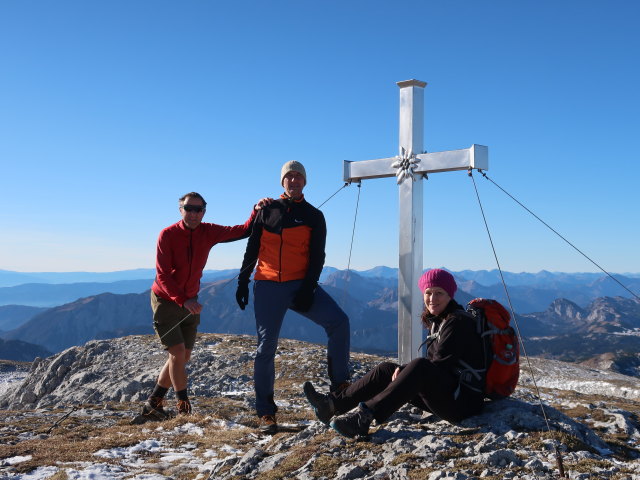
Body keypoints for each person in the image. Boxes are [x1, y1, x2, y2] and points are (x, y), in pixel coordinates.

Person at [235, 160, 350, 434]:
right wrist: (242, 282)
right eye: (289, 176)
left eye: (299, 177)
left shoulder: (313, 216)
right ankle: (266, 413)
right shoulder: (266, 210)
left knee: (340, 322)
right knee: (266, 348)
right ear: (282, 181)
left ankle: (341, 391)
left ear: (305, 182)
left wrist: (309, 288)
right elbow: (252, 248)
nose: (294, 180)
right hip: (267, 284)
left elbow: (317, 255)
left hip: (299, 283)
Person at [303, 268, 485, 438]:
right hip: (449, 394)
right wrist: (403, 371)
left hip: (463, 403)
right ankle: (331, 405)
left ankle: (363, 418)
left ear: (449, 295)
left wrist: (407, 370)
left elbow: (440, 365)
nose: (432, 298)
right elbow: (436, 367)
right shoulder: (440, 320)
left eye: (439, 293)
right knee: (386, 370)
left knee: (420, 367)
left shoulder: (457, 322)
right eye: (428, 293)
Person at [140, 191, 270, 420]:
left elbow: (244, 230)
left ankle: (153, 403)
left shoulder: (208, 231)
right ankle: (183, 408)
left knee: (182, 357)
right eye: (189, 208)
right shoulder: (167, 235)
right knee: (178, 354)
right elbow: (162, 275)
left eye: (198, 209)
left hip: (190, 301)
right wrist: (183, 300)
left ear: (204, 211)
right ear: (180, 210)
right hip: (166, 301)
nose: (193, 213)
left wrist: (256, 209)